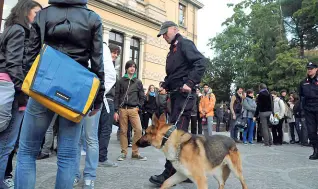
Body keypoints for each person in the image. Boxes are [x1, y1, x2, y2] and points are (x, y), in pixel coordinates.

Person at [15, 0, 105, 188]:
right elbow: (97, 63)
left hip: (44, 84)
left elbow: (30, 55)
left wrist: (28, 85)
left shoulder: (44, 14)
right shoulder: (93, 19)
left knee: (27, 152)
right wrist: (97, 99)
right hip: (75, 92)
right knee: (67, 156)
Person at [149, 21, 207, 186]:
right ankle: (187, 171)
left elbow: (201, 63)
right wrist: (165, 85)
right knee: (179, 135)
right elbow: (174, 74)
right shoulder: (172, 51)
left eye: (165, 33)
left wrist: (190, 82)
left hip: (185, 96)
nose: (164, 37)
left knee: (172, 135)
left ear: (174, 29)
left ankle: (170, 174)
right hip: (175, 96)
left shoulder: (184, 44)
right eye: (162, 35)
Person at [0, 1, 42, 188]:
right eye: (36, 13)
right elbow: (14, 63)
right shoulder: (19, 30)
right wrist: (23, 91)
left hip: (7, 87)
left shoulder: (9, 28)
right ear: (26, 12)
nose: (38, 17)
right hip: (12, 90)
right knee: (6, 145)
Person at [74, 42, 116, 188]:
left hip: (91, 97)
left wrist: (98, 95)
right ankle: (74, 174)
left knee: (90, 138)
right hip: (75, 97)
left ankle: (89, 176)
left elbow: (110, 74)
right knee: (75, 138)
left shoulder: (102, 46)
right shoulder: (75, 39)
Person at [113, 60, 146, 161]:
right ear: (126, 68)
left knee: (139, 130)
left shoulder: (138, 82)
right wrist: (116, 110)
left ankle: (135, 153)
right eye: (130, 67)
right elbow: (117, 96)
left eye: (134, 67)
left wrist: (138, 107)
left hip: (133, 110)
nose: (132, 68)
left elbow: (142, 97)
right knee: (123, 131)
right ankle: (123, 153)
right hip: (122, 109)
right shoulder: (121, 81)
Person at [98, 43, 121, 168]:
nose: (115, 55)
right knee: (102, 130)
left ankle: (101, 156)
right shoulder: (105, 65)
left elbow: (117, 92)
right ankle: (101, 157)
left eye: (117, 53)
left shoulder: (110, 67)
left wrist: (116, 109)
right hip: (104, 99)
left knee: (104, 129)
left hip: (109, 100)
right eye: (114, 52)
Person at [299, 62, 318, 160]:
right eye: (308, 68)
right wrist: (302, 109)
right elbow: (301, 97)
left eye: (311, 68)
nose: (309, 70)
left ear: (316, 69)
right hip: (308, 109)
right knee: (311, 132)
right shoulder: (303, 83)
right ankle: (316, 151)